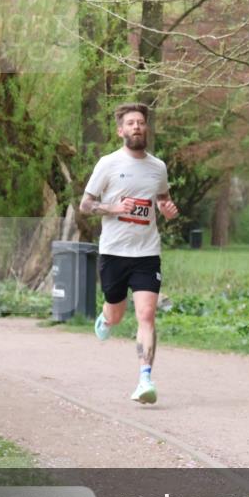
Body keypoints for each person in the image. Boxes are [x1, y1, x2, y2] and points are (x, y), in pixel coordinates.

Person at [80, 102, 179, 405]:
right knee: (117, 312)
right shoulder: (107, 164)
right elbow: (85, 205)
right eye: (131, 123)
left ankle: (145, 379)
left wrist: (167, 209)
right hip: (113, 252)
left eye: (141, 122)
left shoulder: (157, 167)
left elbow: (162, 198)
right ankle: (107, 319)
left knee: (146, 315)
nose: (137, 126)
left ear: (146, 128)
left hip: (147, 252)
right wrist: (113, 207)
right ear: (120, 130)